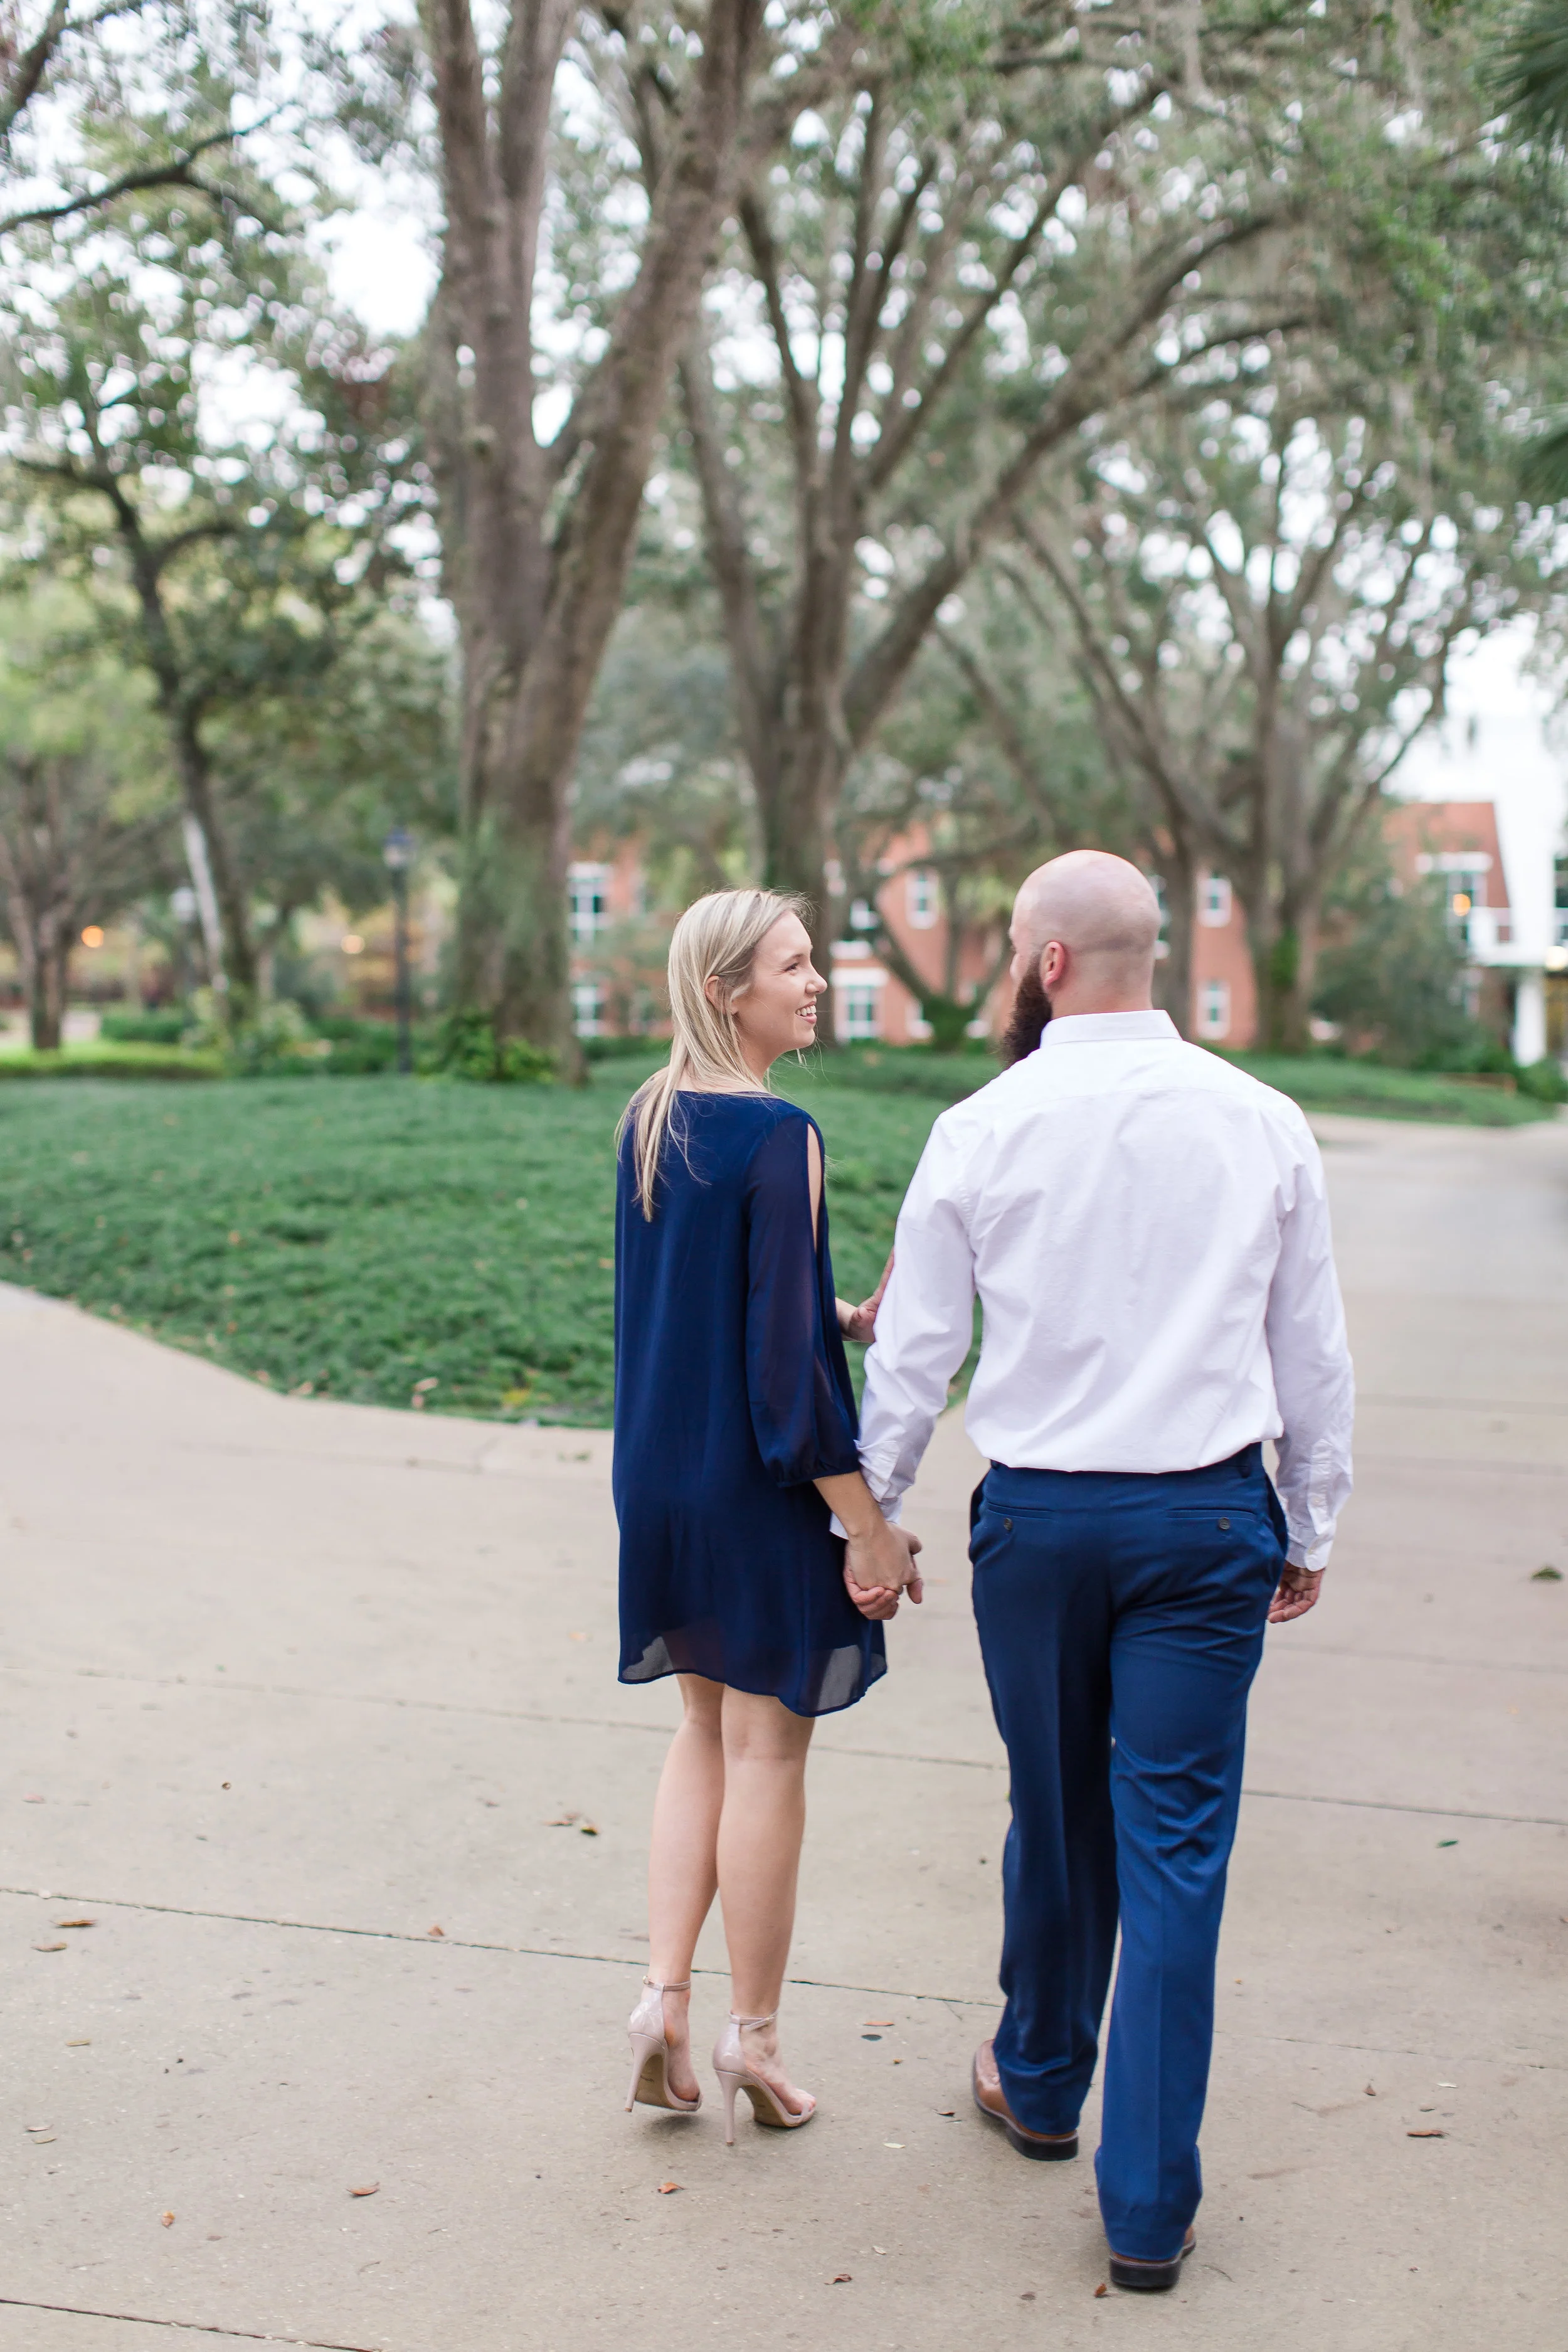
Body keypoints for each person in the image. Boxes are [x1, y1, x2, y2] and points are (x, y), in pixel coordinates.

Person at [856, 849, 1355, 2289]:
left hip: (1040, 1530)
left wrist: (874, 1519)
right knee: (1175, 1856)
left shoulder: (979, 1127)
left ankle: (1036, 2079)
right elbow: (1307, 1352)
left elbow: (916, 1354)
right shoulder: (1261, 1123)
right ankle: (1143, 2210)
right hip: (1204, 1527)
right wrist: (1307, 1524)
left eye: (1016, 952)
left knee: (1055, 1808)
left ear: (1047, 965)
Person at [613, 886, 921, 2145]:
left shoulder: (648, 1117)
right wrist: (867, 1524)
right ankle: (754, 2040)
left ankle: (658, 2003)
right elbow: (785, 1394)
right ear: (729, 991)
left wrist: (831, 1311)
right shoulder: (778, 1132)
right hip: (754, 1484)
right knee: (766, 1755)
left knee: (699, 1735)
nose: (816, 983)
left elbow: (719, 1305)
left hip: (660, 1479)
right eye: (794, 967)